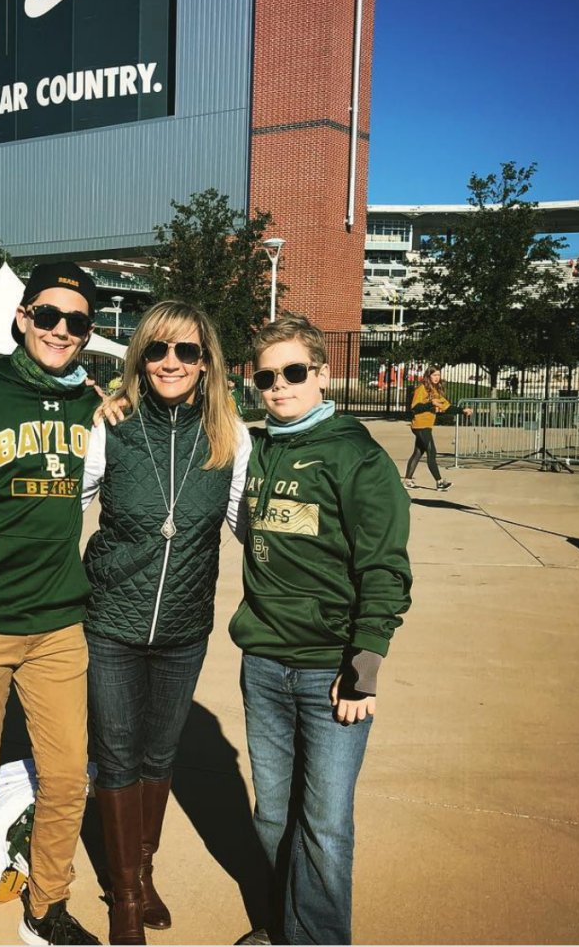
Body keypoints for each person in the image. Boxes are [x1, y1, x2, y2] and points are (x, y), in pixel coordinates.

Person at [231, 314, 412, 946]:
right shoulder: (260, 448)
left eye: (294, 372)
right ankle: (285, 929)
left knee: (326, 823)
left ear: (322, 373)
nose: (280, 386)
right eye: (266, 377)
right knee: (274, 813)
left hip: (328, 672)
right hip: (263, 665)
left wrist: (361, 674)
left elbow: (386, 571)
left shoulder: (356, 456)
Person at [0, 263, 102, 947]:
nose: (60, 330)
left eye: (77, 322)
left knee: (67, 774)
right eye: (48, 315)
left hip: (59, 621)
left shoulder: (92, 403)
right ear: (21, 317)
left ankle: (47, 904)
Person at [80, 302, 251, 945]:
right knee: (117, 755)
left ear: (206, 362)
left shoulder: (231, 437)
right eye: (156, 351)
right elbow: (61, 501)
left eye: (185, 351)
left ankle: (143, 871)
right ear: (140, 360)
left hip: (184, 627)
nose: (170, 363)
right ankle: (125, 899)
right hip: (112, 624)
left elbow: (251, 528)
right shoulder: (113, 428)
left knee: (160, 753)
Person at [403, 365, 469, 491]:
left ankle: (407, 480)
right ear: (428, 376)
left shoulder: (436, 391)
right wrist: (430, 404)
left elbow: (447, 407)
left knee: (418, 452)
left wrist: (462, 410)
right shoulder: (422, 388)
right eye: (434, 375)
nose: (436, 377)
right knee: (431, 452)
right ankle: (440, 482)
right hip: (420, 425)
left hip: (426, 426)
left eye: (438, 375)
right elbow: (415, 407)